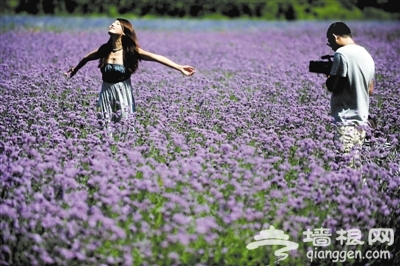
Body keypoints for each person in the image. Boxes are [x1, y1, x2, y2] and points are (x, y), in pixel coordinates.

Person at [65, 18, 195, 128]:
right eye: (112, 23)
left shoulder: (131, 51)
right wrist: (75, 69)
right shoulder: (104, 49)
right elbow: (86, 58)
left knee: (123, 125)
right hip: (105, 92)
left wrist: (179, 67)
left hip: (123, 92)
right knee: (104, 124)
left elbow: (157, 58)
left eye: (117, 25)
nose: (112, 25)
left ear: (124, 33)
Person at [325, 22, 375, 166]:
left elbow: (333, 86)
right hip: (362, 123)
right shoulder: (366, 54)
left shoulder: (341, 54)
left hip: (346, 122)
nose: (332, 47)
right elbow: (370, 90)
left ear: (335, 37)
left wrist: (329, 75)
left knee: (344, 170)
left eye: (330, 42)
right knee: (356, 170)